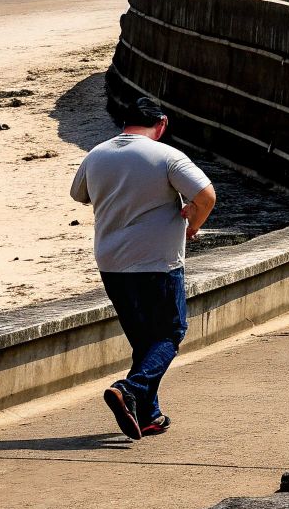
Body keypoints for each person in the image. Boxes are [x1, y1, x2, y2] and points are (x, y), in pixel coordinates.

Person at [70, 96, 215, 440]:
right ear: (161, 123)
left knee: (144, 341)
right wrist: (193, 222)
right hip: (157, 262)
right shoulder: (166, 156)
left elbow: (79, 195)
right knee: (170, 334)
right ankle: (129, 389)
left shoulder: (97, 154)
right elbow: (207, 195)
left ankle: (149, 415)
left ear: (125, 122)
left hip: (111, 261)